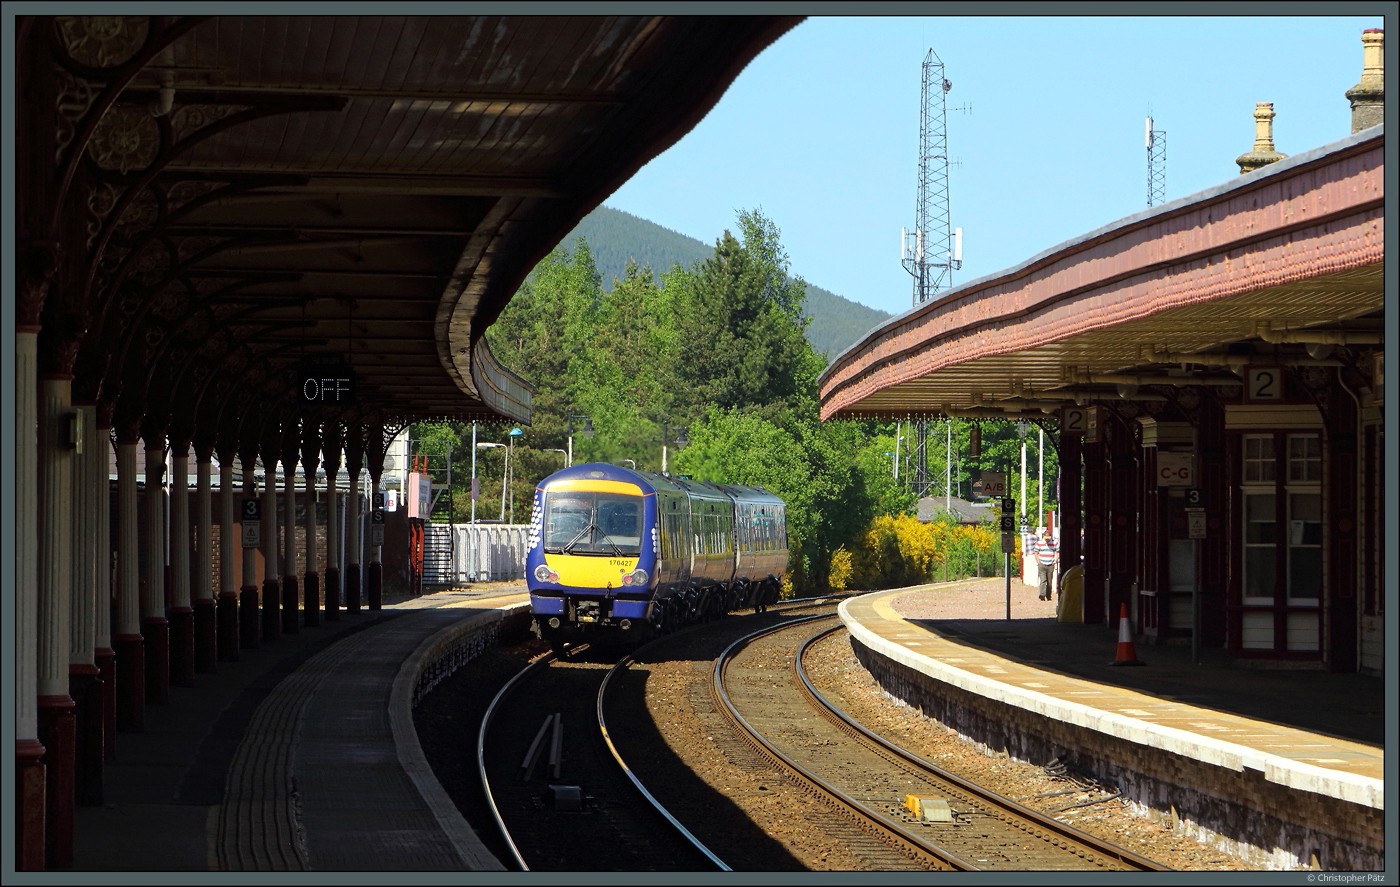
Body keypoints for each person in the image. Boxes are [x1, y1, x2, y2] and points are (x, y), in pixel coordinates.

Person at [1034, 532, 1059, 601]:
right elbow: (1036, 553)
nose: (1047, 540)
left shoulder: (1054, 543)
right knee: (1043, 580)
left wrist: (1055, 560)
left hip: (1050, 564)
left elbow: (1057, 552)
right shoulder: (1039, 543)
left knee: (1049, 581)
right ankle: (1042, 595)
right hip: (1042, 564)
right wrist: (1038, 562)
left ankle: (1048, 595)